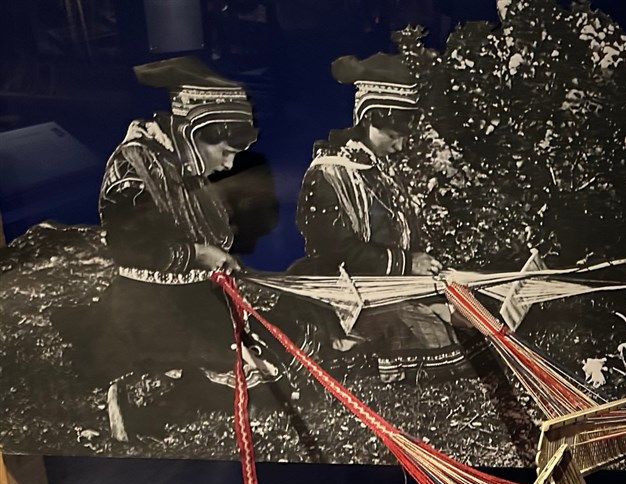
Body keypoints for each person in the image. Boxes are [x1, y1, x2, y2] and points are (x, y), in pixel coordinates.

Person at [65, 56, 276, 442]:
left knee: (269, 376)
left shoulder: (183, 163)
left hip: (193, 298)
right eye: (225, 151)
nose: (229, 163)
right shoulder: (135, 166)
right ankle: (139, 390)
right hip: (149, 305)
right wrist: (198, 255)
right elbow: (129, 246)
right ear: (195, 133)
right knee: (225, 382)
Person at [290, 52, 481, 384]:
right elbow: (334, 252)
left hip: (392, 283)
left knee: (470, 314)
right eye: (392, 135)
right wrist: (408, 263)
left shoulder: (378, 169)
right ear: (367, 120)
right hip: (350, 291)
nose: (400, 146)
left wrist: (424, 275)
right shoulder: (330, 172)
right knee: (440, 341)